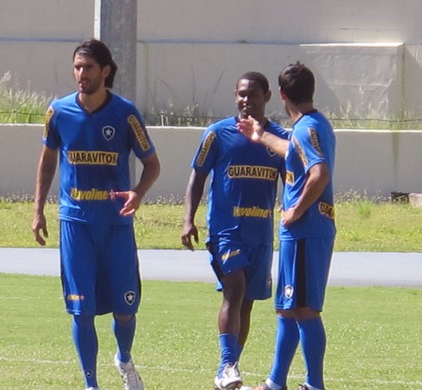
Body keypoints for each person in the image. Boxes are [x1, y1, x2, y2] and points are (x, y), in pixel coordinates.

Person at [31, 38, 160, 390]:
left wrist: (138, 192)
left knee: (125, 310)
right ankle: (91, 384)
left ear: (105, 71)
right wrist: (39, 209)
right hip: (75, 224)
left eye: (87, 67)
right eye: (76, 67)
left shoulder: (125, 114)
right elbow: (47, 162)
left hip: (116, 226)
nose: (80, 74)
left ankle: (124, 358)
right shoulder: (58, 112)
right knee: (81, 310)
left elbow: (152, 164)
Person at [181, 71, 289, 390]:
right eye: (241, 94)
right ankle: (226, 364)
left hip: (260, 234)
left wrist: (292, 207)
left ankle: (228, 371)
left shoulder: (278, 139)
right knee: (235, 289)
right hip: (225, 230)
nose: (246, 100)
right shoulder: (217, 134)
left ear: (267, 97)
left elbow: (292, 179)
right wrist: (188, 219)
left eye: (252, 94)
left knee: (248, 302)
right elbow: (197, 178)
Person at [237, 62, 336, 390]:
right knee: (288, 308)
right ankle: (275, 383)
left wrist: (295, 209)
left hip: (307, 230)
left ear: (281, 95)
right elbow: (292, 148)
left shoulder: (307, 129)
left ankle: (314, 384)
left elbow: (319, 173)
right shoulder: (313, 125)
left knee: (305, 310)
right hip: (303, 233)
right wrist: (261, 135)